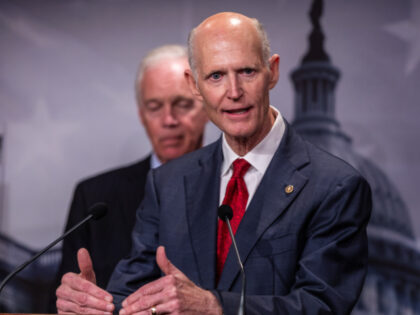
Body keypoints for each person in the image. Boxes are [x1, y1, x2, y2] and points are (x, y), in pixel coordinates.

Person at [56, 12, 372, 315]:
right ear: (195, 85)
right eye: (216, 76)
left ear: (272, 72)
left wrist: (217, 308)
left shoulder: (335, 185)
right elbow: (134, 293)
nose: (233, 92)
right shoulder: (168, 183)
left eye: (247, 71)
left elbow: (321, 306)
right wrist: (100, 305)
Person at [55, 44, 208, 291]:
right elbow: (59, 303)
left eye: (182, 104)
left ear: (207, 108)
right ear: (141, 115)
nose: (169, 120)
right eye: (155, 107)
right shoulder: (94, 198)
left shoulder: (238, 189)